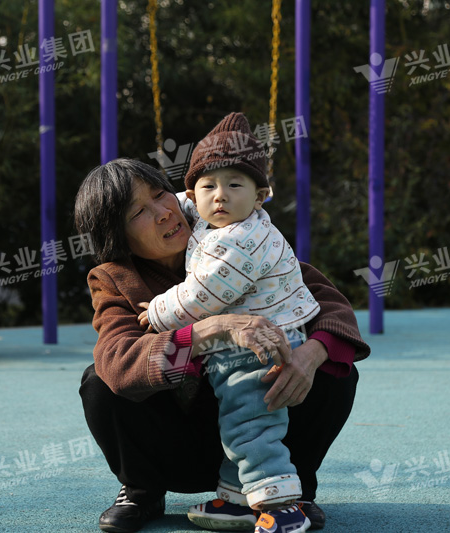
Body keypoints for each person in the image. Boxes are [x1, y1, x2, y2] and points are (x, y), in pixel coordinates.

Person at [73, 157, 370, 532]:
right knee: (99, 383)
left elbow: (331, 306)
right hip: (182, 442)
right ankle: (142, 490)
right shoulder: (115, 278)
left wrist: (311, 354)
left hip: (265, 424)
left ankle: (293, 490)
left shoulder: (234, 236)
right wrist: (210, 330)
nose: (163, 212)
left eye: (160, 194)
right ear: (117, 237)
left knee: (332, 368)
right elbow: (119, 361)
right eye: (138, 212)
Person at [137, 113, 320, 532]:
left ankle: (284, 508)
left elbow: (204, 293)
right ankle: (238, 500)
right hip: (242, 344)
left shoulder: (243, 239)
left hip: (260, 347)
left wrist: (158, 312)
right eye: (209, 187)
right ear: (193, 194)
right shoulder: (212, 216)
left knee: (251, 425)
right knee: (236, 422)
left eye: (235, 185)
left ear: (260, 197)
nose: (220, 196)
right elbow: (186, 202)